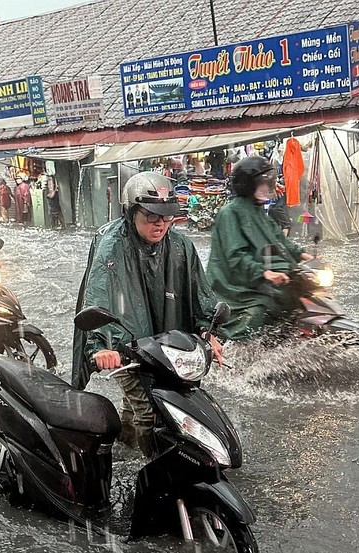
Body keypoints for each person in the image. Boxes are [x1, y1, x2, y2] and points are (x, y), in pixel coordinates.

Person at [71, 172, 223, 457]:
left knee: (146, 405)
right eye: (151, 216)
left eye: (166, 217)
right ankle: (148, 466)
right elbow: (99, 293)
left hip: (166, 345)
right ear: (131, 212)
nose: (160, 224)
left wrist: (208, 331)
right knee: (149, 412)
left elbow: (199, 293)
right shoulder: (112, 246)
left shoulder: (181, 246)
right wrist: (101, 346)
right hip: (125, 343)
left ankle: (123, 448)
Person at [206, 156, 313, 341]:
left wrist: (303, 254)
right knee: (261, 308)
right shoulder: (229, 213)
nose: (268, 188)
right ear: (248, 185)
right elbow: (236, 256)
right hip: (234, 285)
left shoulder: (259, 212)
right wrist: (264, 273)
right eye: (263, 184)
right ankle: (236, 345)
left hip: (259, 276)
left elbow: (279, 239)